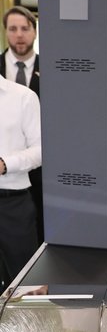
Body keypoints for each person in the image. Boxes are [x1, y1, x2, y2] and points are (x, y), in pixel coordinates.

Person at [1, 6, 44, 244]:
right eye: (13, 29)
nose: (19, 35)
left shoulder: (53, 68)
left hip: (37, 177)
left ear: (35, 32)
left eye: (25, 29)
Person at [0, 73, 41, 287]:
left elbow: (41, 149)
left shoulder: (23, 97)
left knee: (23, 286)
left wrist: (5, 164)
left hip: (13, 204)